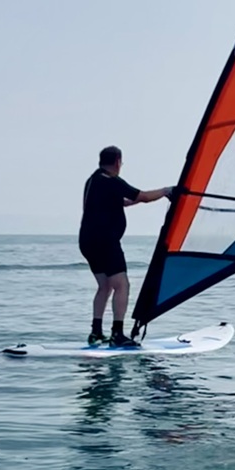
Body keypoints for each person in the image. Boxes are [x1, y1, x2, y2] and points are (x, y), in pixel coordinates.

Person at [80, 145, 173, 346]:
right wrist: (166, 191)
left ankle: (96, 332)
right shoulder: (112, 181)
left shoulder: (94, 180)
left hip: (87, 241)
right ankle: (117, 334)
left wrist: (136, 200)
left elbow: (121, 201)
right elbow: (144, 197)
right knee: (122, 285)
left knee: (104, 286)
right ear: (117, 161)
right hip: (105, 242)